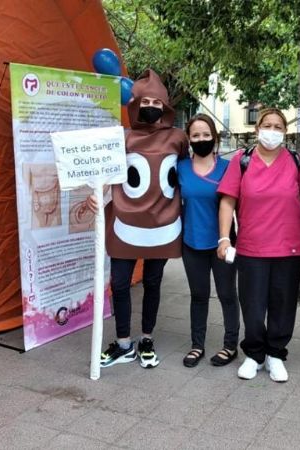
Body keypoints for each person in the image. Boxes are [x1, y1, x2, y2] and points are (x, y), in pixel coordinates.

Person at [90, 69, 188, 369]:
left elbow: (188, 174)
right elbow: (110, 172)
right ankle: (123, 344)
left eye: (157, 102)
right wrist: (97, 192)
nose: (151, 107)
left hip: (163, 223)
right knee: (119, 283)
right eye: (145, 101)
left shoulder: (178, 138)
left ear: (165, 107)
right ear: (135, 103)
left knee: (153, 282)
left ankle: (146, 338)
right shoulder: (123, 136)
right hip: (125, 222)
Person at [216, 108, 300, 382]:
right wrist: (224, 237)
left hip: (289, 246)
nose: (272, 130)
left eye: (278, 126)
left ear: (285, 131)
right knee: (253, 305)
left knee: (283, 304)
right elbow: (227, 200)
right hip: (251, 247)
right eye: (267, 125)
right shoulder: (242, 160)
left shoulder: (294, 160)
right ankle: (255, 354)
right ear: (257, 129)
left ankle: (276, 354)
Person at [177, 114, 239, 367]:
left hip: (222, 244)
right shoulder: (180, 167)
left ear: (214, 137)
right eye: (195, 135)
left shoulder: (228, 167)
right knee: (198, 295)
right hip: (192, 242)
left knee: (227, 294)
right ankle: (197, 345)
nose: (201, 139)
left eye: (206, 134)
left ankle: (230, 346)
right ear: (189, 140)